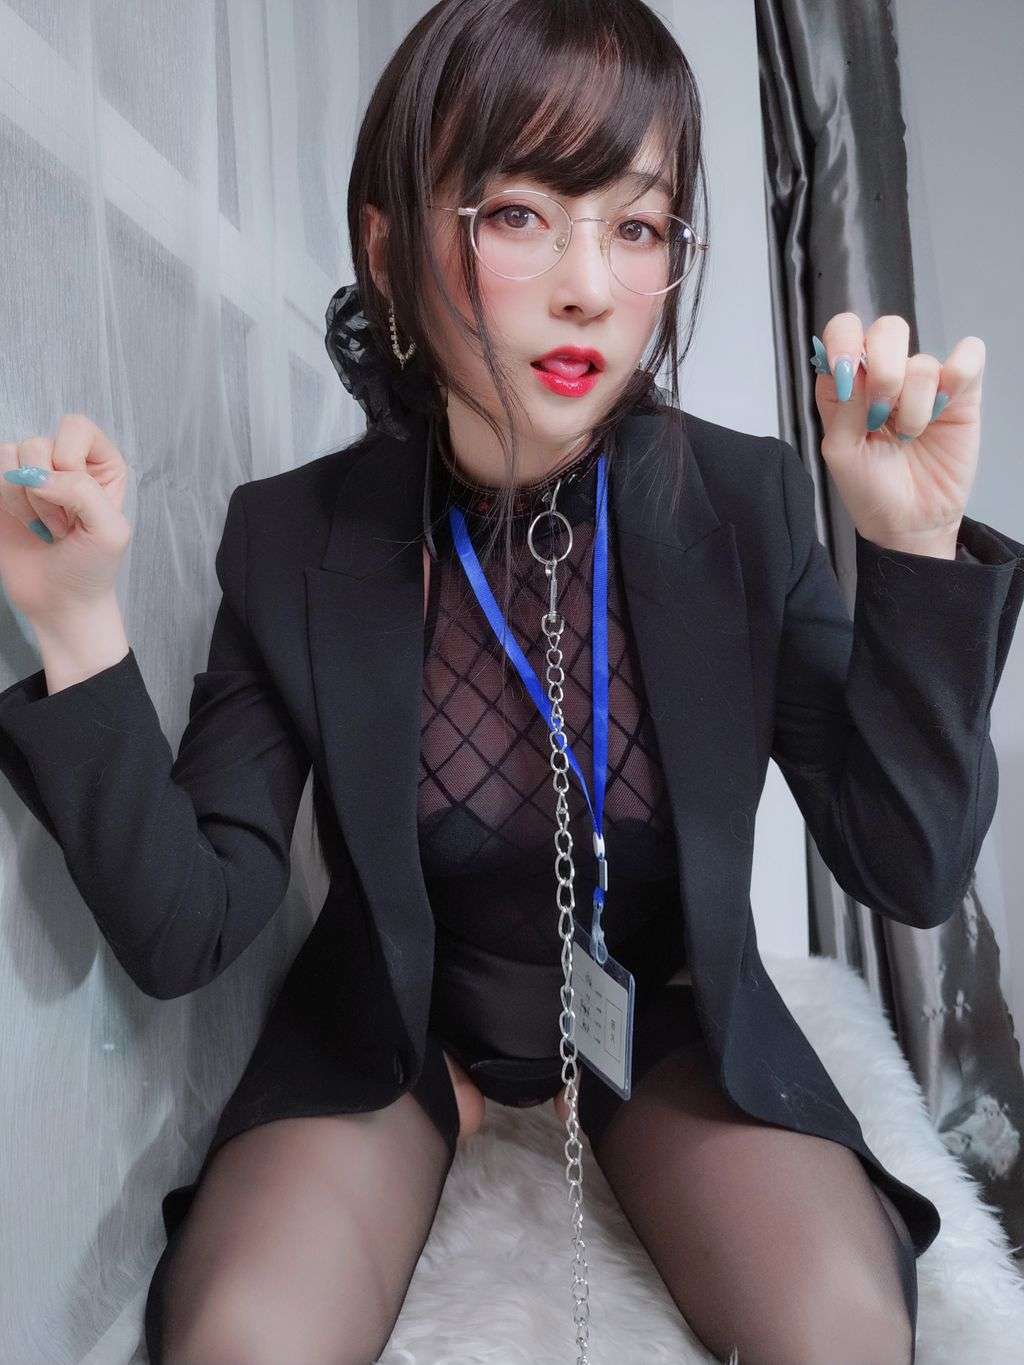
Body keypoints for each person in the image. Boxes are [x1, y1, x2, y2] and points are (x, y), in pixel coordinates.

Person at [0, 2, 1021, 1363]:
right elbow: (190, 925)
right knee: (241, 1337)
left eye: (638, 227)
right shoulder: (293, 538)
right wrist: (77, 627)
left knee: (840, 1328)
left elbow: (907, 866)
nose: (589, 285)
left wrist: (911, 549)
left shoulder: (746, 505)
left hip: (665, 1024)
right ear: (388, 244)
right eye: (523, 215)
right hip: (400, 1030)